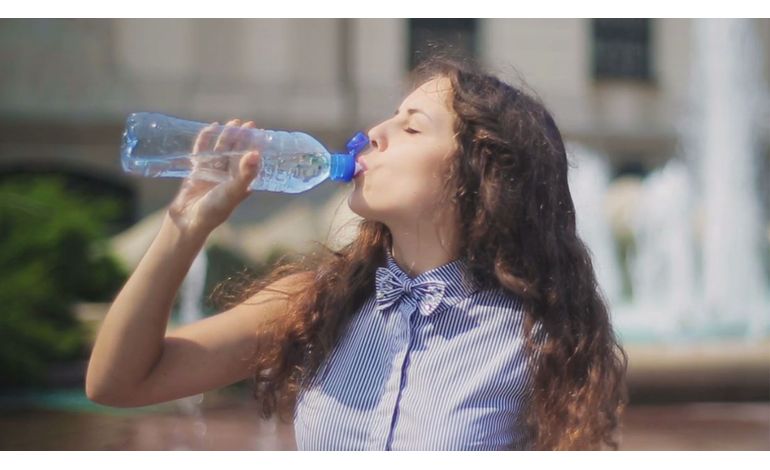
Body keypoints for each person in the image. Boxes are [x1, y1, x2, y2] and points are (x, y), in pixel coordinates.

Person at [86, 56, 628, 451]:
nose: (374, 134)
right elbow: (118, 383)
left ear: (479, 175)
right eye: (390, 116)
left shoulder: (538, 336)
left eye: (412, 126)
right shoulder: (316, 301)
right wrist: (185, 226)